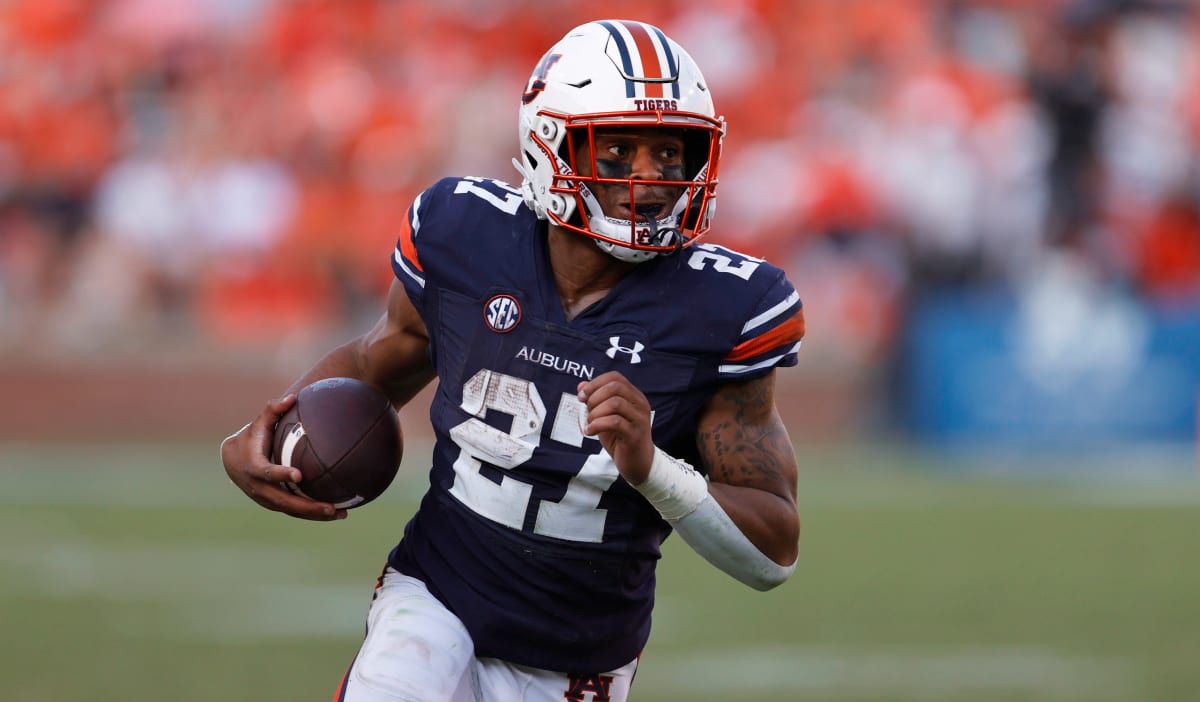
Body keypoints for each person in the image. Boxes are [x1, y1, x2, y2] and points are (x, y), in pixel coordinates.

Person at [222, 19, 804, 702]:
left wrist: (653, 468)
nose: (650, 178)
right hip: (435, 596)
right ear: (548, 143)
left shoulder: (727, 307)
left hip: (576, 658)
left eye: (670, 153)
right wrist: (270, 433)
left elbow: (773, 555)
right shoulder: (465, 235)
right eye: (619, 150)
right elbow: (378, 361)